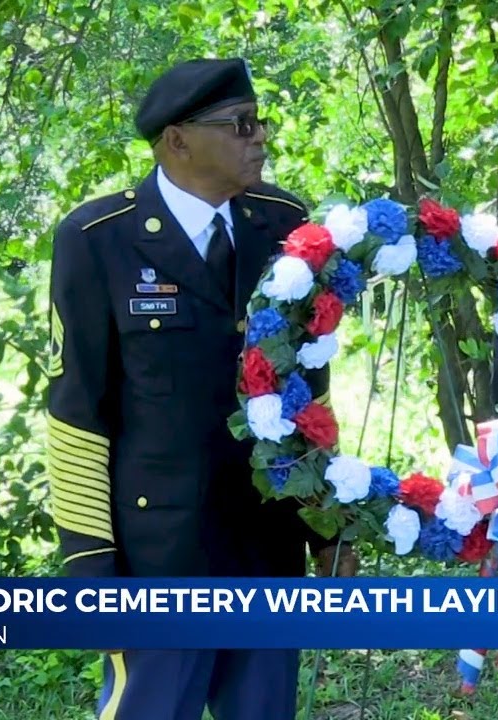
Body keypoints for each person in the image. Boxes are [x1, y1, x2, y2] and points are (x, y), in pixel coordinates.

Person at [45, 57, 355, 720]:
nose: (260, 139)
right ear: (177, 141)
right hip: (159, 552)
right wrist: (91, 568)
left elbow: (310, 393)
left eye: (260, 122)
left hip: (267, 542)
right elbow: (77, 415)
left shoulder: (284, 223)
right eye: (241, 126)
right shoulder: (98, 240)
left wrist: (329, 524)